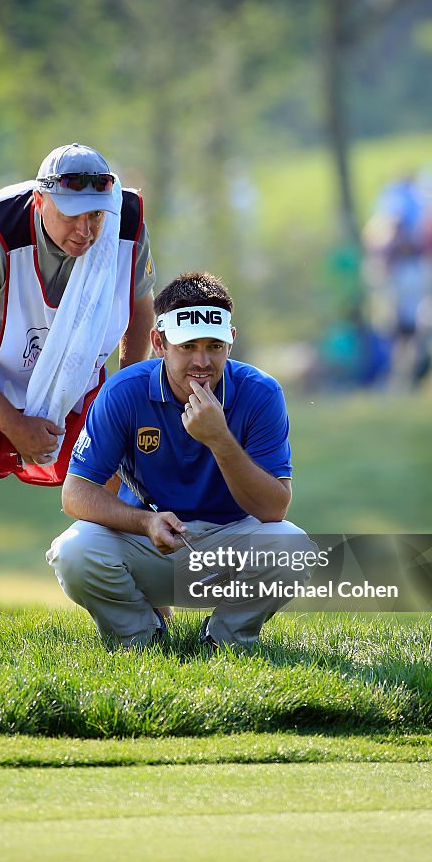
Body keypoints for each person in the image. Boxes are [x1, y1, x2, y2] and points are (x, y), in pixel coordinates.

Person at [0, 143, 156, 630]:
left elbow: (139, 312)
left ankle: (146, 616)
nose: (86, 230)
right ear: (41, 201)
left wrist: (131, 395)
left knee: (118, 468)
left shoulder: (128, 221)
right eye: (72, 215)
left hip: (76, 340)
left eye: (95, 216)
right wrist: (13, 423)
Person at [47, 271, 315, 648]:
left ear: (230, 342)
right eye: (187, 346)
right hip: (149, 543)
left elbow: (274, 509)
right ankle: (140, 636)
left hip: (229, 546)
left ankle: (225, 638)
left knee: (294, 549)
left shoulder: (261, 393)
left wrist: (220, 440)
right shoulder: (124, 392)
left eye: (213, 346)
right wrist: (144, 521)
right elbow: (75, 494)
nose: (202, 361)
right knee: (73, 551)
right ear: (159, 342)